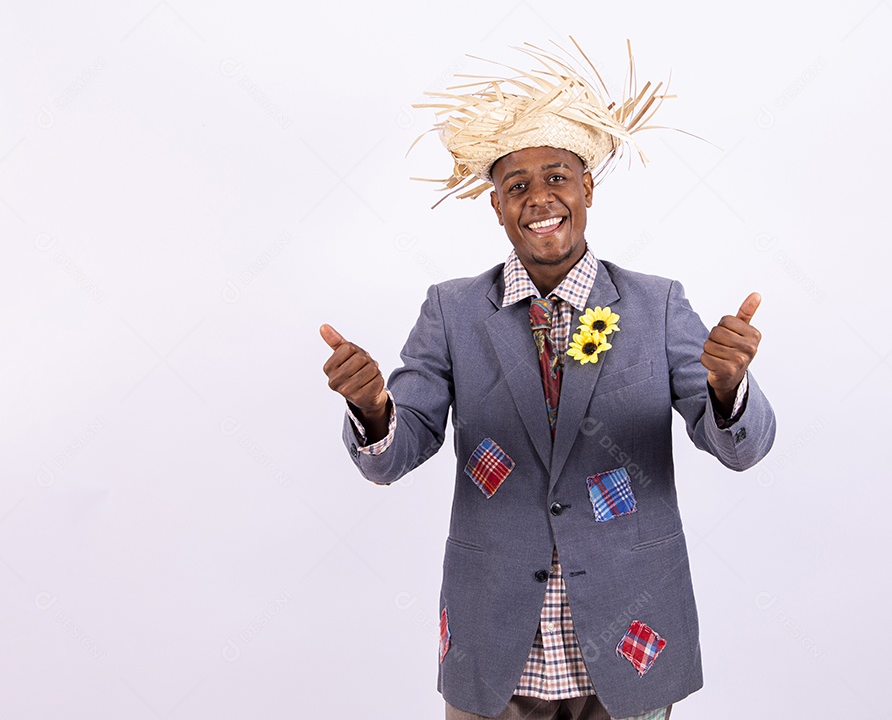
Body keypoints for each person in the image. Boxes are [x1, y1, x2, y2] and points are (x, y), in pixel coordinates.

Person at [321, 39, 776, 720]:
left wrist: (726, 388)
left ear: (587, 187)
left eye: (556, 176)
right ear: (498, 207)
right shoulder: (451, 311)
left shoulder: (656, 305)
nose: (540, 198)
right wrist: (375, 410)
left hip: (629, 637)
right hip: (497, 643)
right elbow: (398, 451)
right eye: (517, 186)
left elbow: (741, 448)